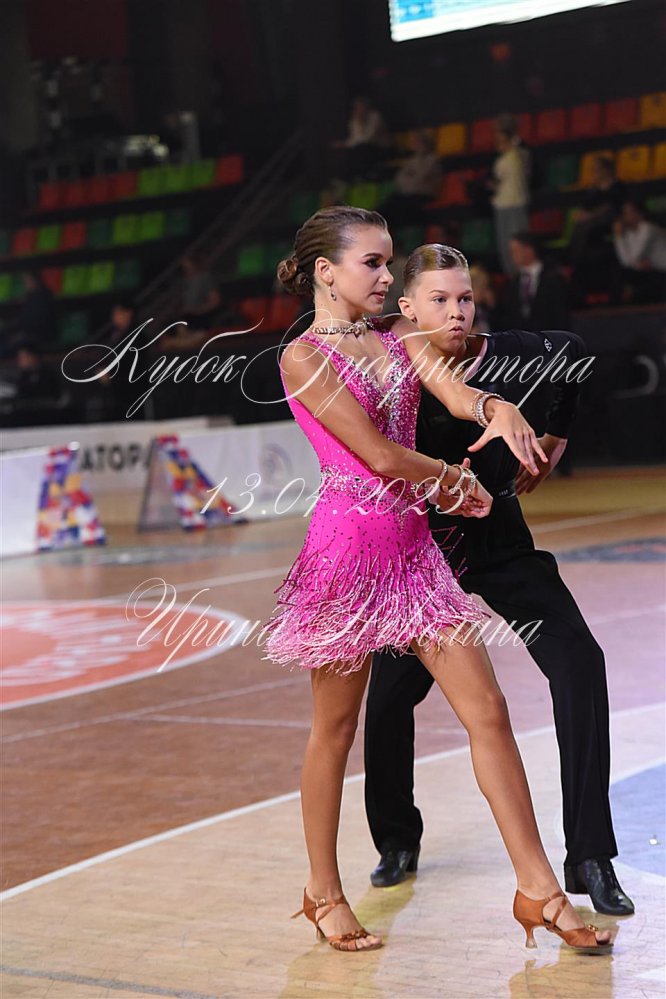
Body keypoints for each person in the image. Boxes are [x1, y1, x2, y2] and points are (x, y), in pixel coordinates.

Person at [263, 205, 612, 954]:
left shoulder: (401, 338)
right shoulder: (302, 358)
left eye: (389, 262)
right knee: (335, 729)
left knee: (487, 709)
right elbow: (379, 455)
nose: (386, 276)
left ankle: (539, 889)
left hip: (415, 553)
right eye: (372, 263)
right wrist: (456, 480)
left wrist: (496, 407)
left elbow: (455, 395)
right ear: (326, 271)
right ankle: (323, 891)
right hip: (349, 555)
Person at [364, 243, 634, 920]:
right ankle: (396, 837)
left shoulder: (510, 352)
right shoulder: (391, 363)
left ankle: (590, 856)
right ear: (407, 307)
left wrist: (556, 438)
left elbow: (573, 351)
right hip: (424, 557)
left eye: (465, 298)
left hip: (501, 542)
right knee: (389, 697)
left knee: (580, 661)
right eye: (439, 300)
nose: (456, 312)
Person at [488, 115, 531, 275]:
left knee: (519, 242)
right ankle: (513, 278)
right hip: (501, 204)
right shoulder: (500, 159)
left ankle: (525, 276)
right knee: (505, 246)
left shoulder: (520, 154)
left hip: (516, 203)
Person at [505, 231, 571, 331]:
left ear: (528, 250)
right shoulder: (514, 281)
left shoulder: (552, 278)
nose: (512, 256)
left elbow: (561, 314)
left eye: (515, 251)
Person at [381, 131, 442, 225]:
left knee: (403, 206)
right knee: (388, 204)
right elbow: (400, 178)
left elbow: (421, 177)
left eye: (420, 143)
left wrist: (410, 177)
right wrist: (410, 179)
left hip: (424, 193)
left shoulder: (433, 160)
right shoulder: (412, 160)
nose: (417, 146)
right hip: (408, 192)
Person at [612, 200, 666, 304]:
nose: (626, 217)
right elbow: (625, 261)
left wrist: (619, 237)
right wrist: (619, 236)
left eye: (630, 212)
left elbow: (635, 256)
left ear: (640, 214)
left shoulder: (648, 228)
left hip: (662, 269)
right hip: (655, 270)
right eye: (624, 213)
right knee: (620, 273)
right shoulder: (629, 233)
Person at [331, 96, 388, 181]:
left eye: (361, 107)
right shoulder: (355, 120)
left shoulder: (375, 117)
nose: (359, 110)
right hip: (364, 149)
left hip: (381, 148)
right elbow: (355, 138)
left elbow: (367, 139)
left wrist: (346, 143)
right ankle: (347, 178)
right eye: (357, 108)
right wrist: (344, 144)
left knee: (360, 150)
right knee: (350, 151)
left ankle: (362, 177)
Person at [179, 254, 221, 328]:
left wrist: (199, 311)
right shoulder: (185, 281)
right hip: (188, 318)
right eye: (184, 268)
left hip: (202, 318)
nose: (187, 270)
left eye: (188, 267)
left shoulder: (205, 277)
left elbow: (214, 300)